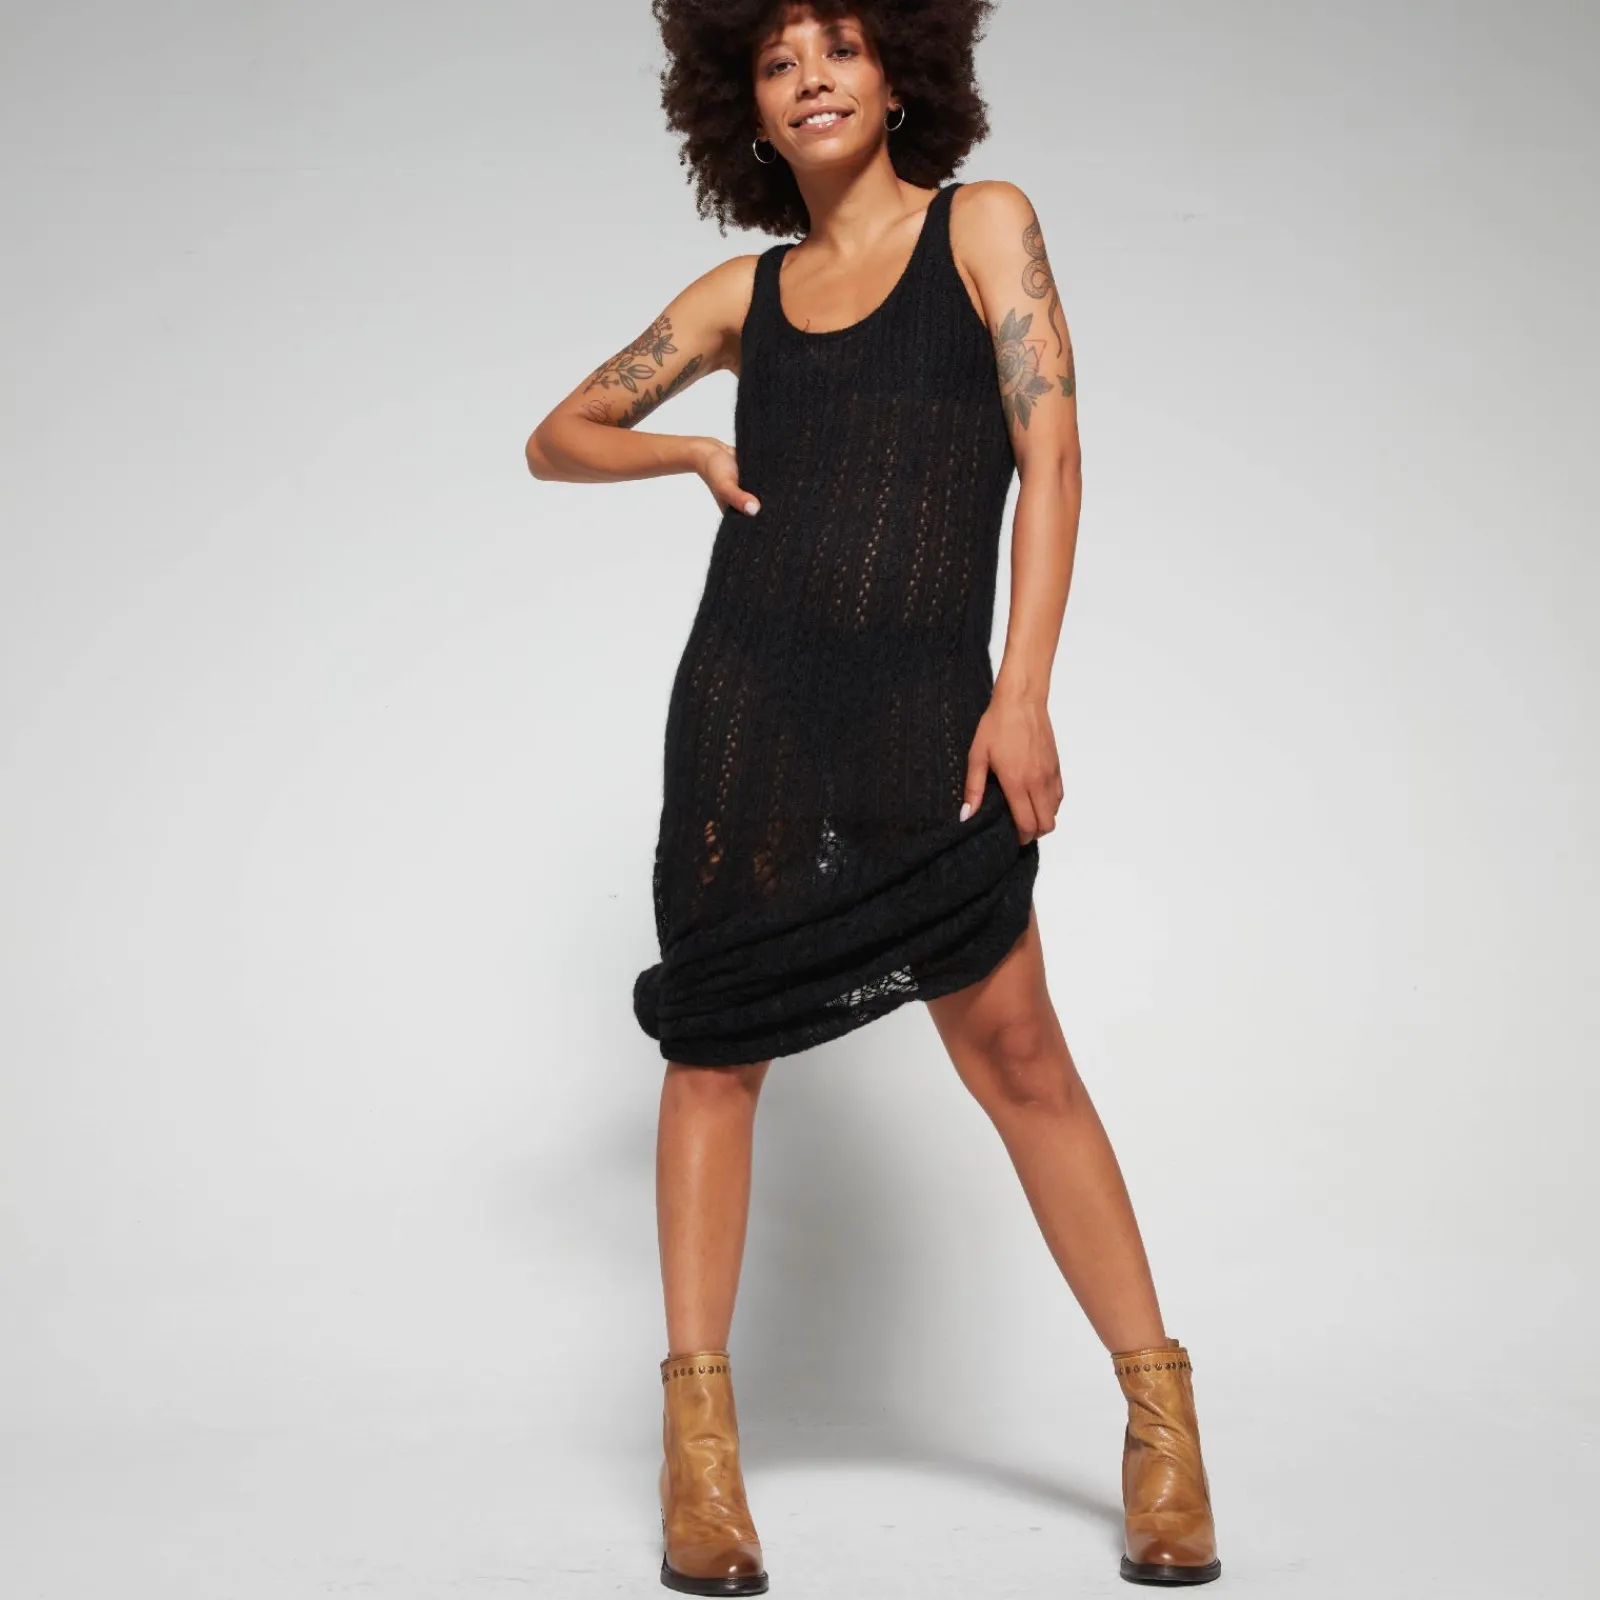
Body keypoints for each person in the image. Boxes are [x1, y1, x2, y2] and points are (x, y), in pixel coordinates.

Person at [526, 2, 1221, 1590]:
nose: (813, 80)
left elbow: (1054, 459)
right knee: (716, 1057)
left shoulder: (984, 228)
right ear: (748, 113)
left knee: (1022, 1056)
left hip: (929, 719)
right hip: (749, 713)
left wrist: (1020, 691)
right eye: (777, 64)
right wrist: (687, 456)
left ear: (901, 71)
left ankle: (1162, 1428)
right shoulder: (740, 298)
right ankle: (702, 1464)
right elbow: (556, 438)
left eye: (838, 47)